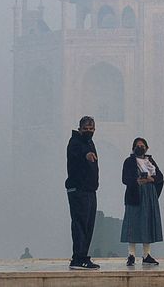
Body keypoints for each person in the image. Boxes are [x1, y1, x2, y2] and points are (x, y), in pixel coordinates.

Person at [121, 137, 164, 266]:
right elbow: (125, 178)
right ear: (133, 148)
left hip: (149, 195)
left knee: (147, 223)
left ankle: (146, 254)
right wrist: (137, 181)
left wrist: (151, 179)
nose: (140, 147)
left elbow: (160, 177)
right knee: (133, 224)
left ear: (147, 148)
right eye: (138, 145)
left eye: (143, 145)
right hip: (135, 194)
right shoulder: (129, 161)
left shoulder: (150, 161)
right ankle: (131, 255)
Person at [66, 115, 100, 270]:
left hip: (90, 190)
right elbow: (77, 154)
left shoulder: (89, 142)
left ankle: (82, 256)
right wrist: (85, 155)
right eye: (86, 129)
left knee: (88, 225)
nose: (89, 131)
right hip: (79, 190)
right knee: (80, 224)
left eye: (91, 129)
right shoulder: (75, 142)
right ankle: (78, 258)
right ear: (79, 129)